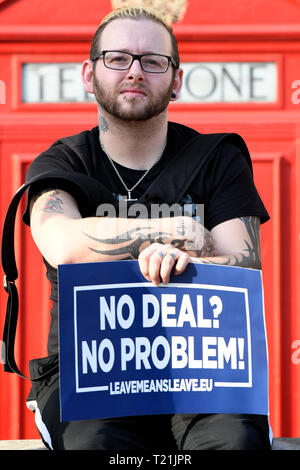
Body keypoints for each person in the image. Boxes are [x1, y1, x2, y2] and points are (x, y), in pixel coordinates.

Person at [23, 6, 271, 450]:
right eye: (117, 58)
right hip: (88, 370)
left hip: (200, 364)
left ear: (175, 79)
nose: (135, 71)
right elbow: (61, 243)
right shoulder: (61, 163)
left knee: (234, 441)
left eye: (153, 61)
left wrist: (186, 261)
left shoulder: (218, 158)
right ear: (89, 73)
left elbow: (245, 260)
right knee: (95, 445)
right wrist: (175, 232)